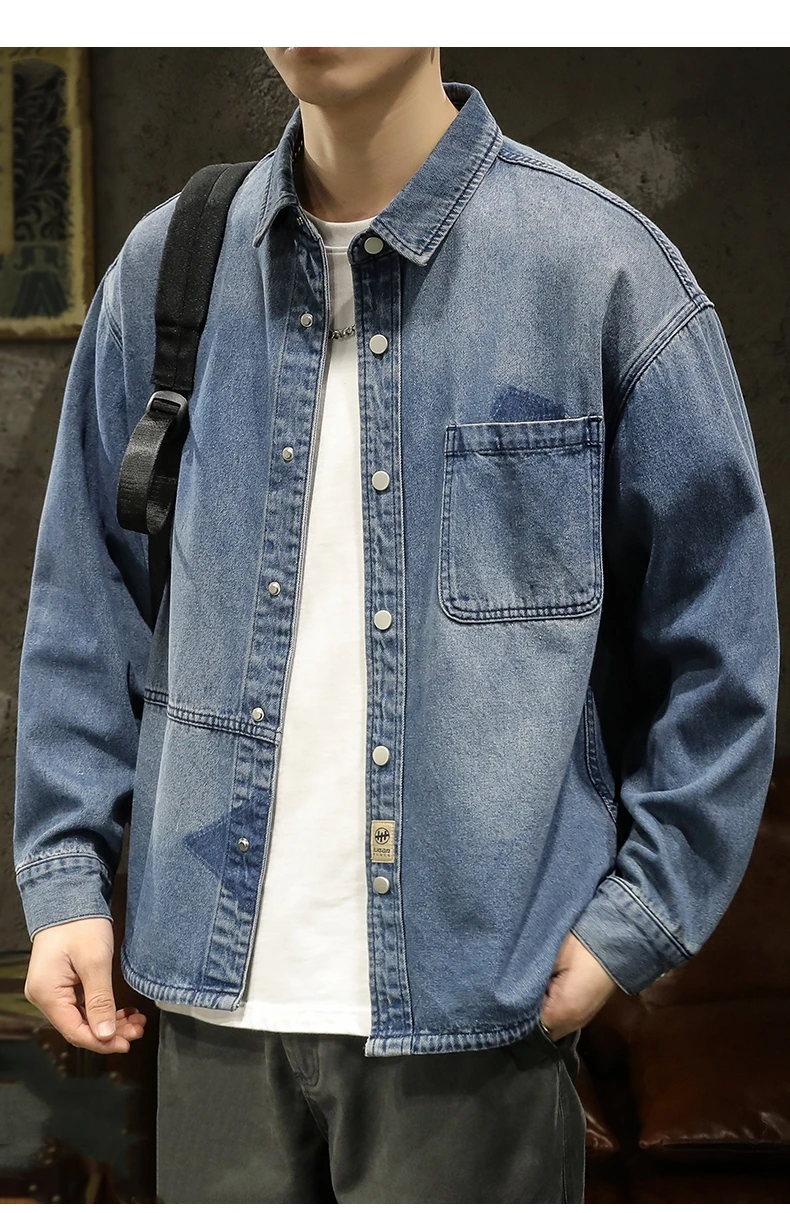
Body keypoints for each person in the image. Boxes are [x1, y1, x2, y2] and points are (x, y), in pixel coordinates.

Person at [14, 47, 780, 1204]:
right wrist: (68, 876)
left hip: (481, 1008)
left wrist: (634, 920)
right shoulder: (170, 266)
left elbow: (720, 649)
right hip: (212, 1007)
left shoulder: (599, 272)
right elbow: (87, 600)